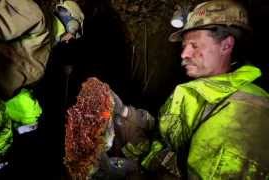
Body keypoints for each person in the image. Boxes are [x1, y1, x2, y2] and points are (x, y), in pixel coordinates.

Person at [104, 0, 269, 179]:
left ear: (226, 45)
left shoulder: (242, 113)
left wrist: (134, 175)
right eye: (184, 46)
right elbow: (166, 140)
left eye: (195, 45)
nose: (184, 54)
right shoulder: (208, 93)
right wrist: (125, 114)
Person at [0, 0, 84, 177]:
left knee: (31, 113)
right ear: (71, 24)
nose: (69, 41)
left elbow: (24, 66)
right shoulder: (35, 16)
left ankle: (24, 143)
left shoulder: (46, 43)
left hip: (4, 88)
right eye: (74, 35)